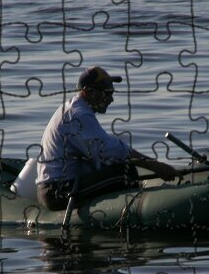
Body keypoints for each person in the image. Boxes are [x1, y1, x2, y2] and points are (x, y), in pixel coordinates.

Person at [36, 66, 179, 211]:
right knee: (124, 172)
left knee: (116, 169)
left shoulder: (75, 108)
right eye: (107, 93)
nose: (111, 99)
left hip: (60, 186)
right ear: (88, 92)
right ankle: (134, 211)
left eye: (112, 93)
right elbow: (113, 151)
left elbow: (102, 154)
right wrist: (156, 166)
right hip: (58, 191)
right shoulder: (79, 115)